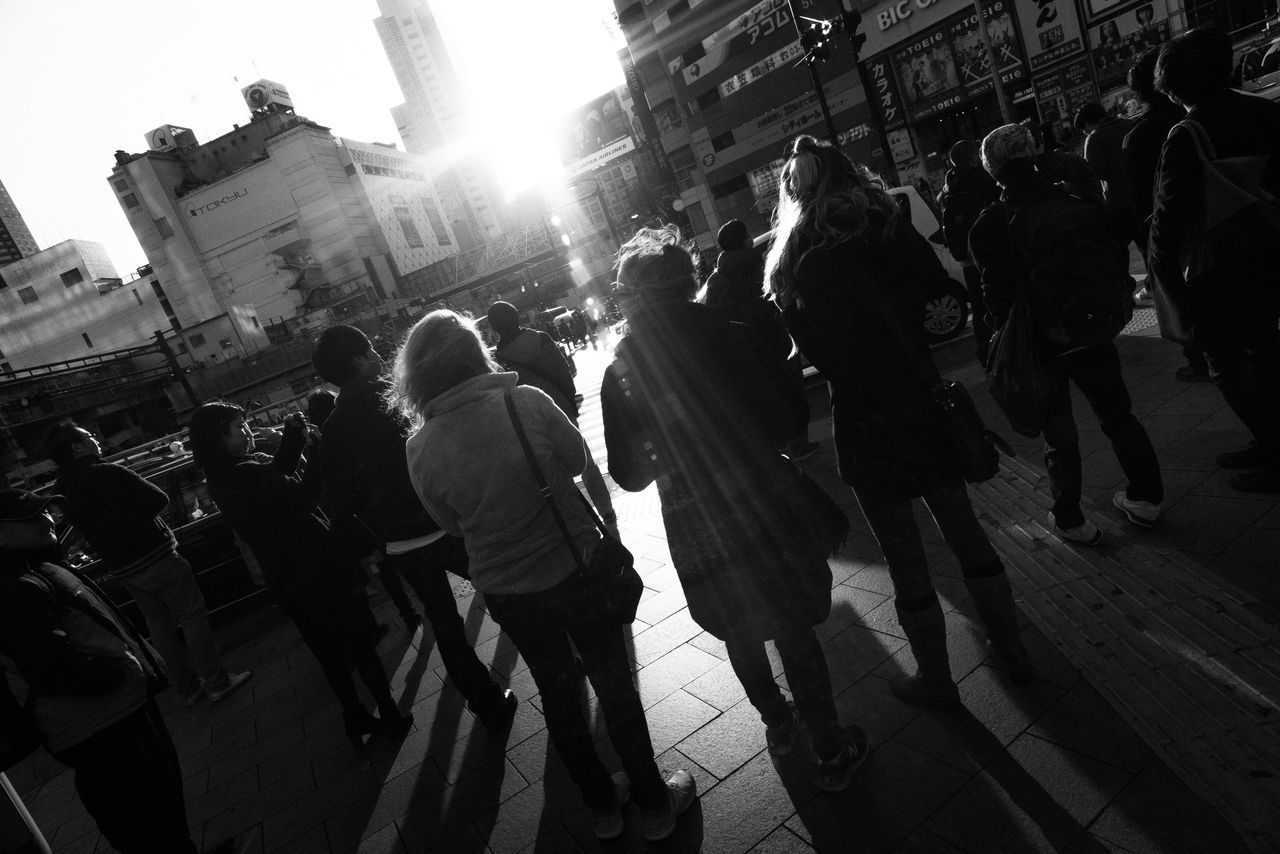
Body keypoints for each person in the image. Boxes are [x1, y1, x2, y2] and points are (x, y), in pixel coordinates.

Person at [390, 310, 695, 842]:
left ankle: (602, 808)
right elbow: (578, 459)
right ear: (473, 353)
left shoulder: (419, 448)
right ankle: (654, 802)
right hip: (575, 570)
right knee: (614, 686)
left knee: (558, 694)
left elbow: (448, 524)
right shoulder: (523, 402)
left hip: (510, 592)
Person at [763, 135, 1032, 712]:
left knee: (903, 553)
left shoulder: (797, 258)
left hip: (864, 415)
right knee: (964, 528)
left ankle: (936, 679)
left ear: (795, 192)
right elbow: (938, 299)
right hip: (921, 396)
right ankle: (1012, 647)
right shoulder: (889, 223)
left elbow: (816, 351)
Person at [604, 225, 869, 789]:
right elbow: (789, 422)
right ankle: (831, 748)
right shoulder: (731, 331)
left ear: (635, 297)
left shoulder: (622, 368)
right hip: (761, 495)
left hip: (692, 514)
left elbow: (628, 474)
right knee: (792, 620)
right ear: (687, 281)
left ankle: (778, 722)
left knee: (737, 624)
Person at [310, 325, 517, 732]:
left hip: (401, 543)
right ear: (357, 360)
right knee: (499, 586)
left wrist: (374, 541)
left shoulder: (332, 431)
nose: (375, 355)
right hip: (443, 521)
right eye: (369, 349)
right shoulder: (395, 398)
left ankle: (484, 701)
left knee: (443, 620)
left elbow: (335, 502)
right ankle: (548, 651)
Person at [970, 123, 1164, 539]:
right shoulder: (1071, 197)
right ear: (1033, 153)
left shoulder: (990, 223)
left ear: (992, 170)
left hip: (1041, 341)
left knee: (1059, 435)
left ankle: (1071, 518)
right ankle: (1146, 499)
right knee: (1119, 417)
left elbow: (995, 298)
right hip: (1092, 327)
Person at [188, 403, 412, 747]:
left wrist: (292, 439)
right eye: (238, 427)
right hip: (318, 567)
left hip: (286, 577)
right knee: (359, 641)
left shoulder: (222, 477)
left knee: (328, 653)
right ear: (218, 436)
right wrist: (318, 450)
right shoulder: (244, 473)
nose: (247, 432)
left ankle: (355, 716)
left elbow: (276, 478)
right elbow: (303, 495)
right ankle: (389, 712)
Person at [0, 489, 208, 854]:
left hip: (113, 714)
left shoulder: (34, 570)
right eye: (31, 517)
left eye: (45, 511)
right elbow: (51, 665)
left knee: (163, 811)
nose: (49, 518)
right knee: (149, 819)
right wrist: (118, 673)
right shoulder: (15, 588)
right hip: (104, 723)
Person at [1149, 28, 1280, 493]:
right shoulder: (1266, 111)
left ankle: (1273, 447)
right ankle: (1268, 442)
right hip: (1270, 248)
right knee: (1268, 349)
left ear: (1174, 87)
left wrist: (1160, 269)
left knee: (1224, 360)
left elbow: (1170, 213)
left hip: (1220, 266)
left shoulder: (1187, 134)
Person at [44, 422, 252, 708]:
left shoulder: (62, 490)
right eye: (90, 437)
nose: (97, 440)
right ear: (77, 447)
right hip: (156, 555)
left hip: (124, 569)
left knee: (159, 628)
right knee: (191, 616)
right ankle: (217, 682)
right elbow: (158, 498)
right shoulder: (108, 472)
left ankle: (188, 689)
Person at [486, 301, 619, 537]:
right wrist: (569, 401)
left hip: (529, 418)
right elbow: (563, 371)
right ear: (518, 317)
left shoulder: (497, 360)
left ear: (494, 327)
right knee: (586, 461)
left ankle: (578, 523)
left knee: (554, 471)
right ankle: (607, 514)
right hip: (559, 403)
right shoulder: (541, 339)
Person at [1122, 48, 1210, 382]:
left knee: (1187, 302)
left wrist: (1155, 252)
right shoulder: (1198, 115)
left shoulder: (1138, 138)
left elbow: (1141, 202)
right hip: (1229, 219)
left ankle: (1200, 358)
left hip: (1174, 232)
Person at [703, 218, 820, 461]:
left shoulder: (717, 279)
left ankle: (776, 450)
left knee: (762, 398)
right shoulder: (765, 265)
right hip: (778, 339)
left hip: (745, 350)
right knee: (791, 392)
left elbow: (717, 317)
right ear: (743, 240)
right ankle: (799, 443)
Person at [938, 139, 1001, 364]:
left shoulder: (949, 183)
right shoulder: (980, 178)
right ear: (973, 157)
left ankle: (986, 352)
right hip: (987, 252)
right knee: (998, 300)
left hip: (965, 258)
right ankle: (1007, 347)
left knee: (978, 304)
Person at [1074, 102, 1138, 255]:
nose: (1086, 133)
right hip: (1143, 193)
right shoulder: (1131, 124)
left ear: (1088, 123)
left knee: (1117, 249)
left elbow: (1093, 175)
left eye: (1084, 129)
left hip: (1118, 203)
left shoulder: (1094, 139)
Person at [1026, 120, 1106, 208]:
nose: (1060, 129)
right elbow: (1095, 194)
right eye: (1056, 127)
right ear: (1042, 137)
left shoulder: (1025, 179)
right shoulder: (1071, 160)